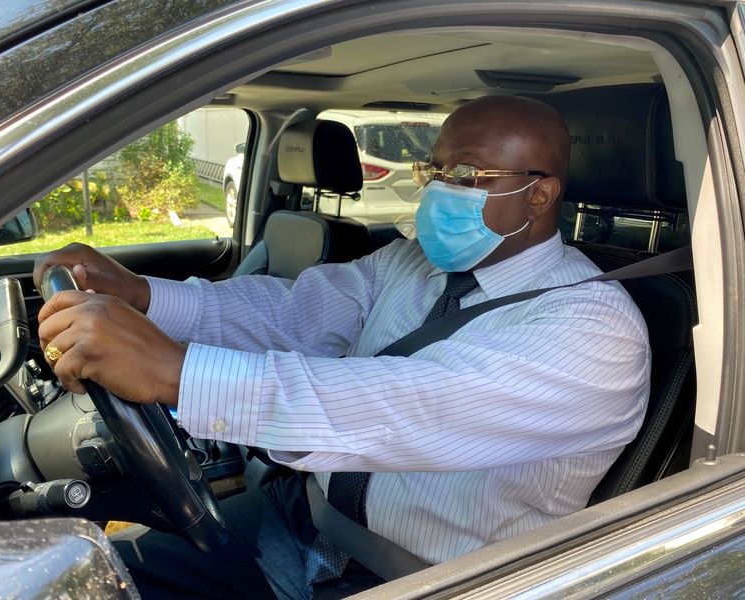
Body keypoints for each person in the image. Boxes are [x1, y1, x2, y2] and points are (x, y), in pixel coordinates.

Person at [34, 95, 650, 600]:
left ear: (540, 195)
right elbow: (290, 313)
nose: (437, 190)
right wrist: (142, 294)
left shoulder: (593, 327)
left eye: (464, 176)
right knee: (84, 583)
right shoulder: (409, 262)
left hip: (430, 581)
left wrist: (174, 371)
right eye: (433, 171)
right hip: (300, 519)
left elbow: (404, 406)